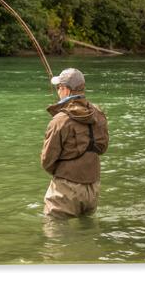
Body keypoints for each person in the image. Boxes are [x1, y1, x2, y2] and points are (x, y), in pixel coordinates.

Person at [41, 68, 109, 219]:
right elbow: (102, 148)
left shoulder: (60, 120)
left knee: (55, 234)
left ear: (66, 90)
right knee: (88, 234)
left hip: (65, 189)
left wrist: (64, 172)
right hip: (92, 188)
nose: (58, 91)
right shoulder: (98, 114)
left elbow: (47, 161)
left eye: (59, 87)